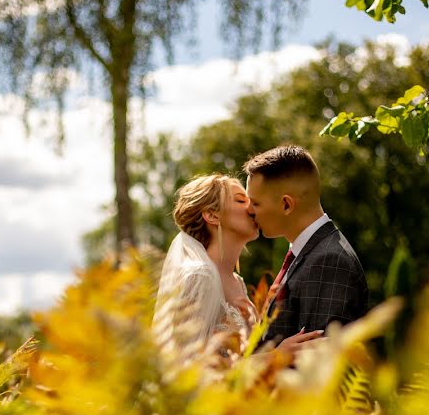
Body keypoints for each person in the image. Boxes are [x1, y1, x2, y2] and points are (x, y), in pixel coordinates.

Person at [153, 173, 321, 358]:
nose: (252, 209)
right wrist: (274, 358)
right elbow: (185, 370)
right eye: (241, 201)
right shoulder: (200, 276)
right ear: (212, 215)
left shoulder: (237, 282)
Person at [244, 145, 368, 345]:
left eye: (255, 203)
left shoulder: (329, 261)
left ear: (286, 204)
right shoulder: (308, 253)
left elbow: (316, 363)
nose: (249, 211)